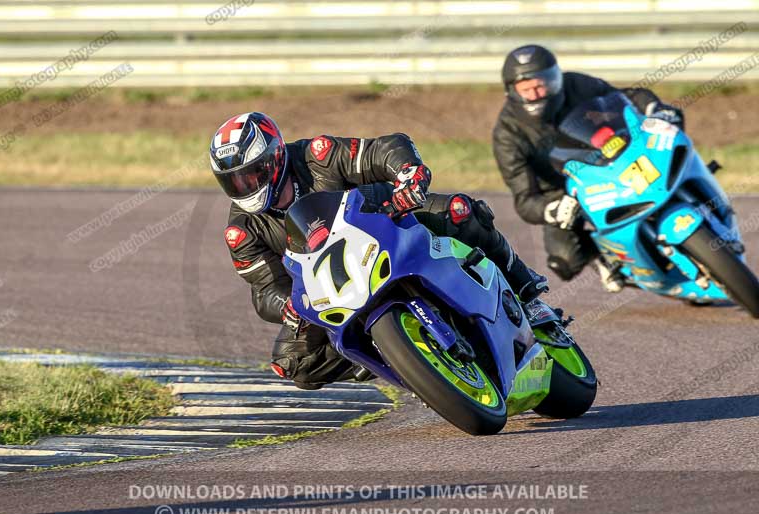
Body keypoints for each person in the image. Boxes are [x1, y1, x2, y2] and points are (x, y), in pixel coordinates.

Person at [211, 111, 549, 389]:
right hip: (333, 283)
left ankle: (527, 293)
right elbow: (264, 290)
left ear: (275, 157)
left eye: (252, 175)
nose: (246, 186)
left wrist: (408, 174)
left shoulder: (318, 155)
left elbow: (383, 149)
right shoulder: (241, 230)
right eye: (235, 181)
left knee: (461, 211)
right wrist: (287, 305)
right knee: (293, 364)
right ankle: (395, 360)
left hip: (387, 219)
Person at [492, 45, 684, 292]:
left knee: (669, 142)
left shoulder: (576, 85)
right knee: (564, 261)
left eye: (542, 84)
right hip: (566, 192)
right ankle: (603, 255)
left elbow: (624, 98)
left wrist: (653, 108)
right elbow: (525, 200)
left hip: (613, 161)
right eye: (526, 89)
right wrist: (552, 209)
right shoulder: (507, 134)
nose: (536, 94)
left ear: (555, 79)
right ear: (512, 92)